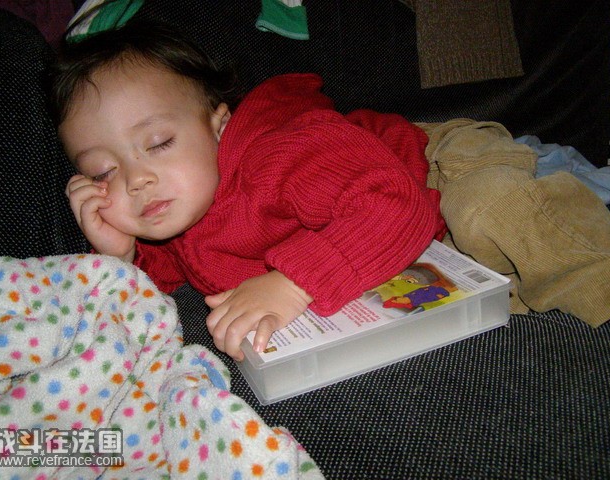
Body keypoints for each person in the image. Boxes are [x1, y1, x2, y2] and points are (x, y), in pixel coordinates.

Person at [49, 20, 446, 361]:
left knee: (479, 214)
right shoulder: (172, 221)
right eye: (103, 171)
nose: (136, 180)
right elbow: (142, 300)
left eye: (158, 143)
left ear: (219, 127)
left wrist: (293, 285)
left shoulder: (279, 158)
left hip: (438, 162)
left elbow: (397, 205)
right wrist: (119, 257)